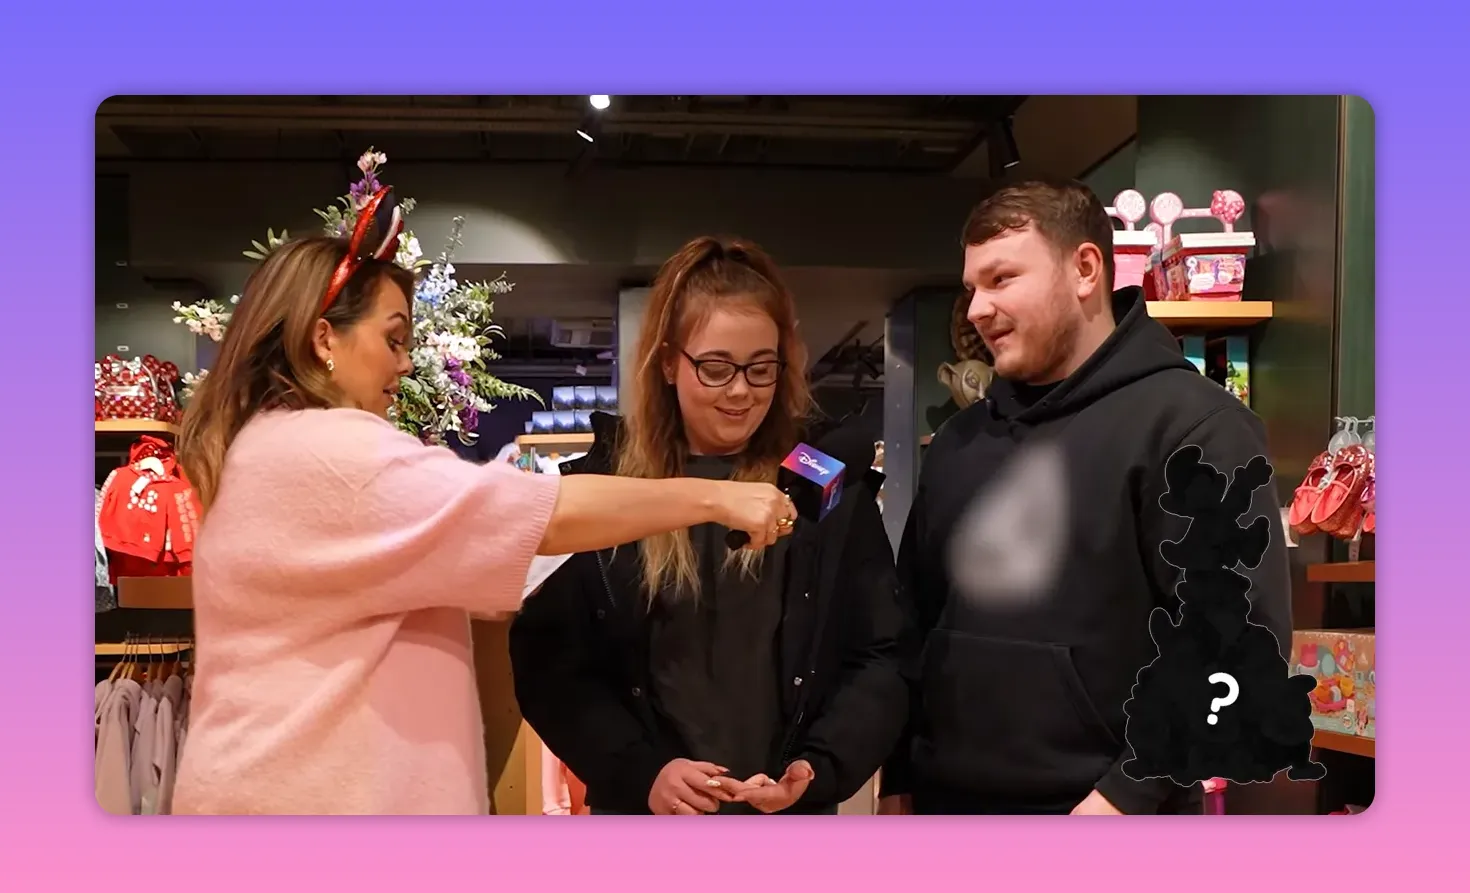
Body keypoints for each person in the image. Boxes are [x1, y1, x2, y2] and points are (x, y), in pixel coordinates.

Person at [169, 196, 796, 816]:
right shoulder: (326, 451)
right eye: (391, 339)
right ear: (324, 338)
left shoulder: (274, 448)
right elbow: (540, 518)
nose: (404, 362)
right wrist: (715, 497)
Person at [879, 179, 1292, 815]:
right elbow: (914, 628)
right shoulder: (960, 443)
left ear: (1085, 269)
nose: (976, 311)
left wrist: (1122, 799)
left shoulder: (1194, 428)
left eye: (1002, 279)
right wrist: (902, 781)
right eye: (972, 289)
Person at [510, 237, 907, 816]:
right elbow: (552, 668)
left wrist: (819, 766)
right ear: (669, 361)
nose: (742, 391)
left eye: (761, 368)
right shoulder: (604, 488)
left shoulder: (822, 483)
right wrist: (642, 772)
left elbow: (881, 653)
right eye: (716, 368)